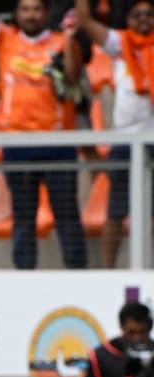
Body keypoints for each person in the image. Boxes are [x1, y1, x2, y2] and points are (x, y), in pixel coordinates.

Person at [0, 0, 87, 270]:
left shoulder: (61, 40)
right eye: (25, 9)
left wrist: (69, 40)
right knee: (23, 219)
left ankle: (79, 278)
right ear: (16, 14)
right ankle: (24, 280)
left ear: (46, 13)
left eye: (36, 9)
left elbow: (71, 78)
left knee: (67, 217)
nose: (31, 15)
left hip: (58, 143)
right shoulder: (5, 38)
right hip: (17, 143)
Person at [74, 0, 154, 268]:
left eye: (149, 14)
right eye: (137, 15)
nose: (144, 19)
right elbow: (84, 21)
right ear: (127, 19)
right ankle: (109, 272)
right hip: (126, 141)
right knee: (116, 212)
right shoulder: (120, 44)